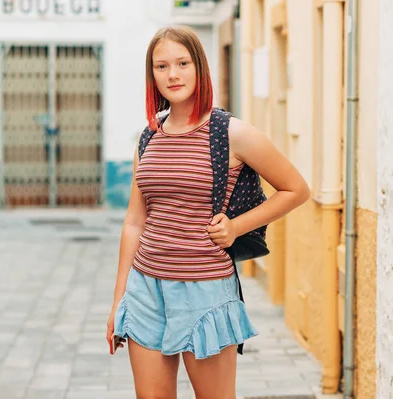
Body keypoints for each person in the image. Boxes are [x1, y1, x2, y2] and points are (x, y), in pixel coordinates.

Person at [106, 25, 310, 399]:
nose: (173, 74)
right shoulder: (148, 135)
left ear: (199, 67)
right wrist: (120, 299)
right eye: (161, 66)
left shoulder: (231, 132)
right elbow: (135, 220)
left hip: (206, 293)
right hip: (145, 289)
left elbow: (296, 189)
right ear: (151, 75)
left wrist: (236, 227)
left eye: (182, 63)